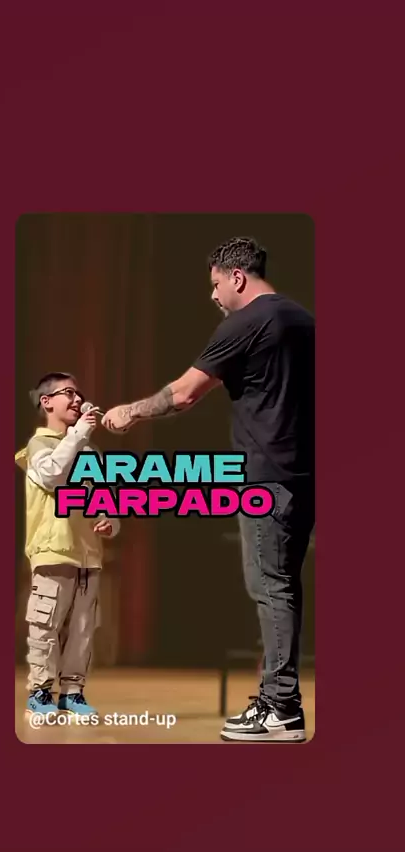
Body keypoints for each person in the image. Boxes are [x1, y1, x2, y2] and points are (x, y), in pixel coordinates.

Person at [102, 236, 315, 743]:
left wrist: (129, 411)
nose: (213, 295)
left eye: (216, 284)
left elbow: (184, 394)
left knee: (271, 588)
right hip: (303, 476)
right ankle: (276, 699)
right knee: (282, 587)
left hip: (265, 476)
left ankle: (281, 707)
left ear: (237, 276)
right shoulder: (304, 320)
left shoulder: (245, 322)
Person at [15, 372, 120, 719]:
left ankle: (73, 692)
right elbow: (52, 476)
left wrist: (111, 521)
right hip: (54, 549)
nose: (78, 400)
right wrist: (78, 435)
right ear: (47, 402)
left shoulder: (88, 451)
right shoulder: (40, 445)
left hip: (88, 554)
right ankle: (40, 692)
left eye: (79, 395)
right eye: (69, 394)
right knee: (45, 624)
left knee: (82, 629)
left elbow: (107, 500)